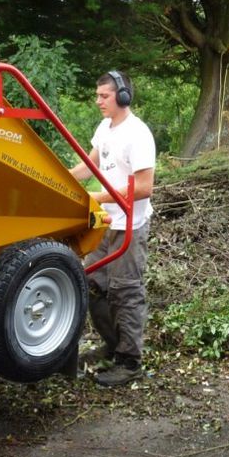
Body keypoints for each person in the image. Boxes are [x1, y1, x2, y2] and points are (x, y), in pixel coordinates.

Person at [70, 71, 156, 386]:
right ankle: (111, 345)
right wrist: (59, 177)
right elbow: (89, 165)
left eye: (104, 96)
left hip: (130, 226)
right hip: (106, 224)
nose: (98, 102)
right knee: (91, 283)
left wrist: (99, 196)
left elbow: (145, 187)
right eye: (97, 96)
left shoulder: (138, 134)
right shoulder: (105, 128)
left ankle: (130, 361)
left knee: (126, 293)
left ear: (122, 96)